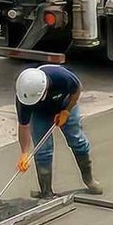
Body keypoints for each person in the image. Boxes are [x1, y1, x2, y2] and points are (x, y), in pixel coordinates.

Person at [15, 65, 101, 199]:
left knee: (77, 141)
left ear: (45, 89)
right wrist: (24, 152)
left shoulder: (62, 77)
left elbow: (77, 90)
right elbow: (23, 125)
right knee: (42, 150)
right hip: (40, 115)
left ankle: (89, 180)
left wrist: (66, 111)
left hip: (65, 105)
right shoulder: (24, 98)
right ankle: (46, 192)